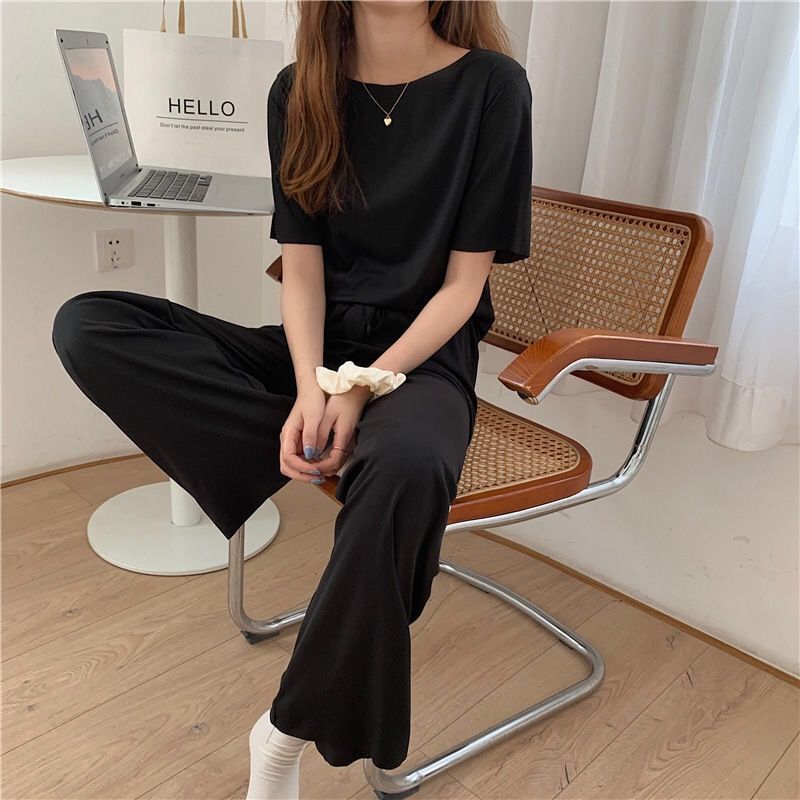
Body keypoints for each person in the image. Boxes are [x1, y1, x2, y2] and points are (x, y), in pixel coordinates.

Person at [50, 1, 532, 798]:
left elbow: (462, 287)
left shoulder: (492, 87)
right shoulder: (298, 90)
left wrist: (364, 387)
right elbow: (302, 271)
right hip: (317, 345)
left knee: (407, 468)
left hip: (421, 360)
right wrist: (313, 388)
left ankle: (281, 737)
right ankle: (304, 440)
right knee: (91, 326)